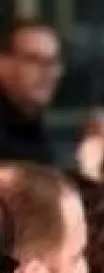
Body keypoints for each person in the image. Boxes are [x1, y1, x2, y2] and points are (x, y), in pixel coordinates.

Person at [0, 20, 63, 166]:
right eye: (34, 60)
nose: (47, 72)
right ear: (3, 64)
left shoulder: (31, 123)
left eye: (53, 62)